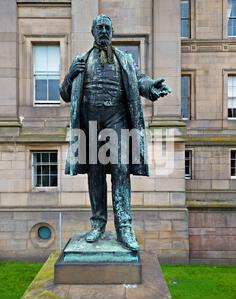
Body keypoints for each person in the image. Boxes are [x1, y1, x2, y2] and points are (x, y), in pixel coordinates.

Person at [60, 14, 171, 251]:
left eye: (107, 27)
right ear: (93, 32)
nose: (103, 31)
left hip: (116, 119)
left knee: (121, 169)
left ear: (112, 32)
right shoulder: (81, 60)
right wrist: (70, 74)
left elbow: (139, 80)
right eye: (99, 27)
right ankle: (98, 223)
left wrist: (152, 87)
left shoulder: (124, 59)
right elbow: (65, 94)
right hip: (90, 121)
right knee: (96, 173)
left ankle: (124, 226)